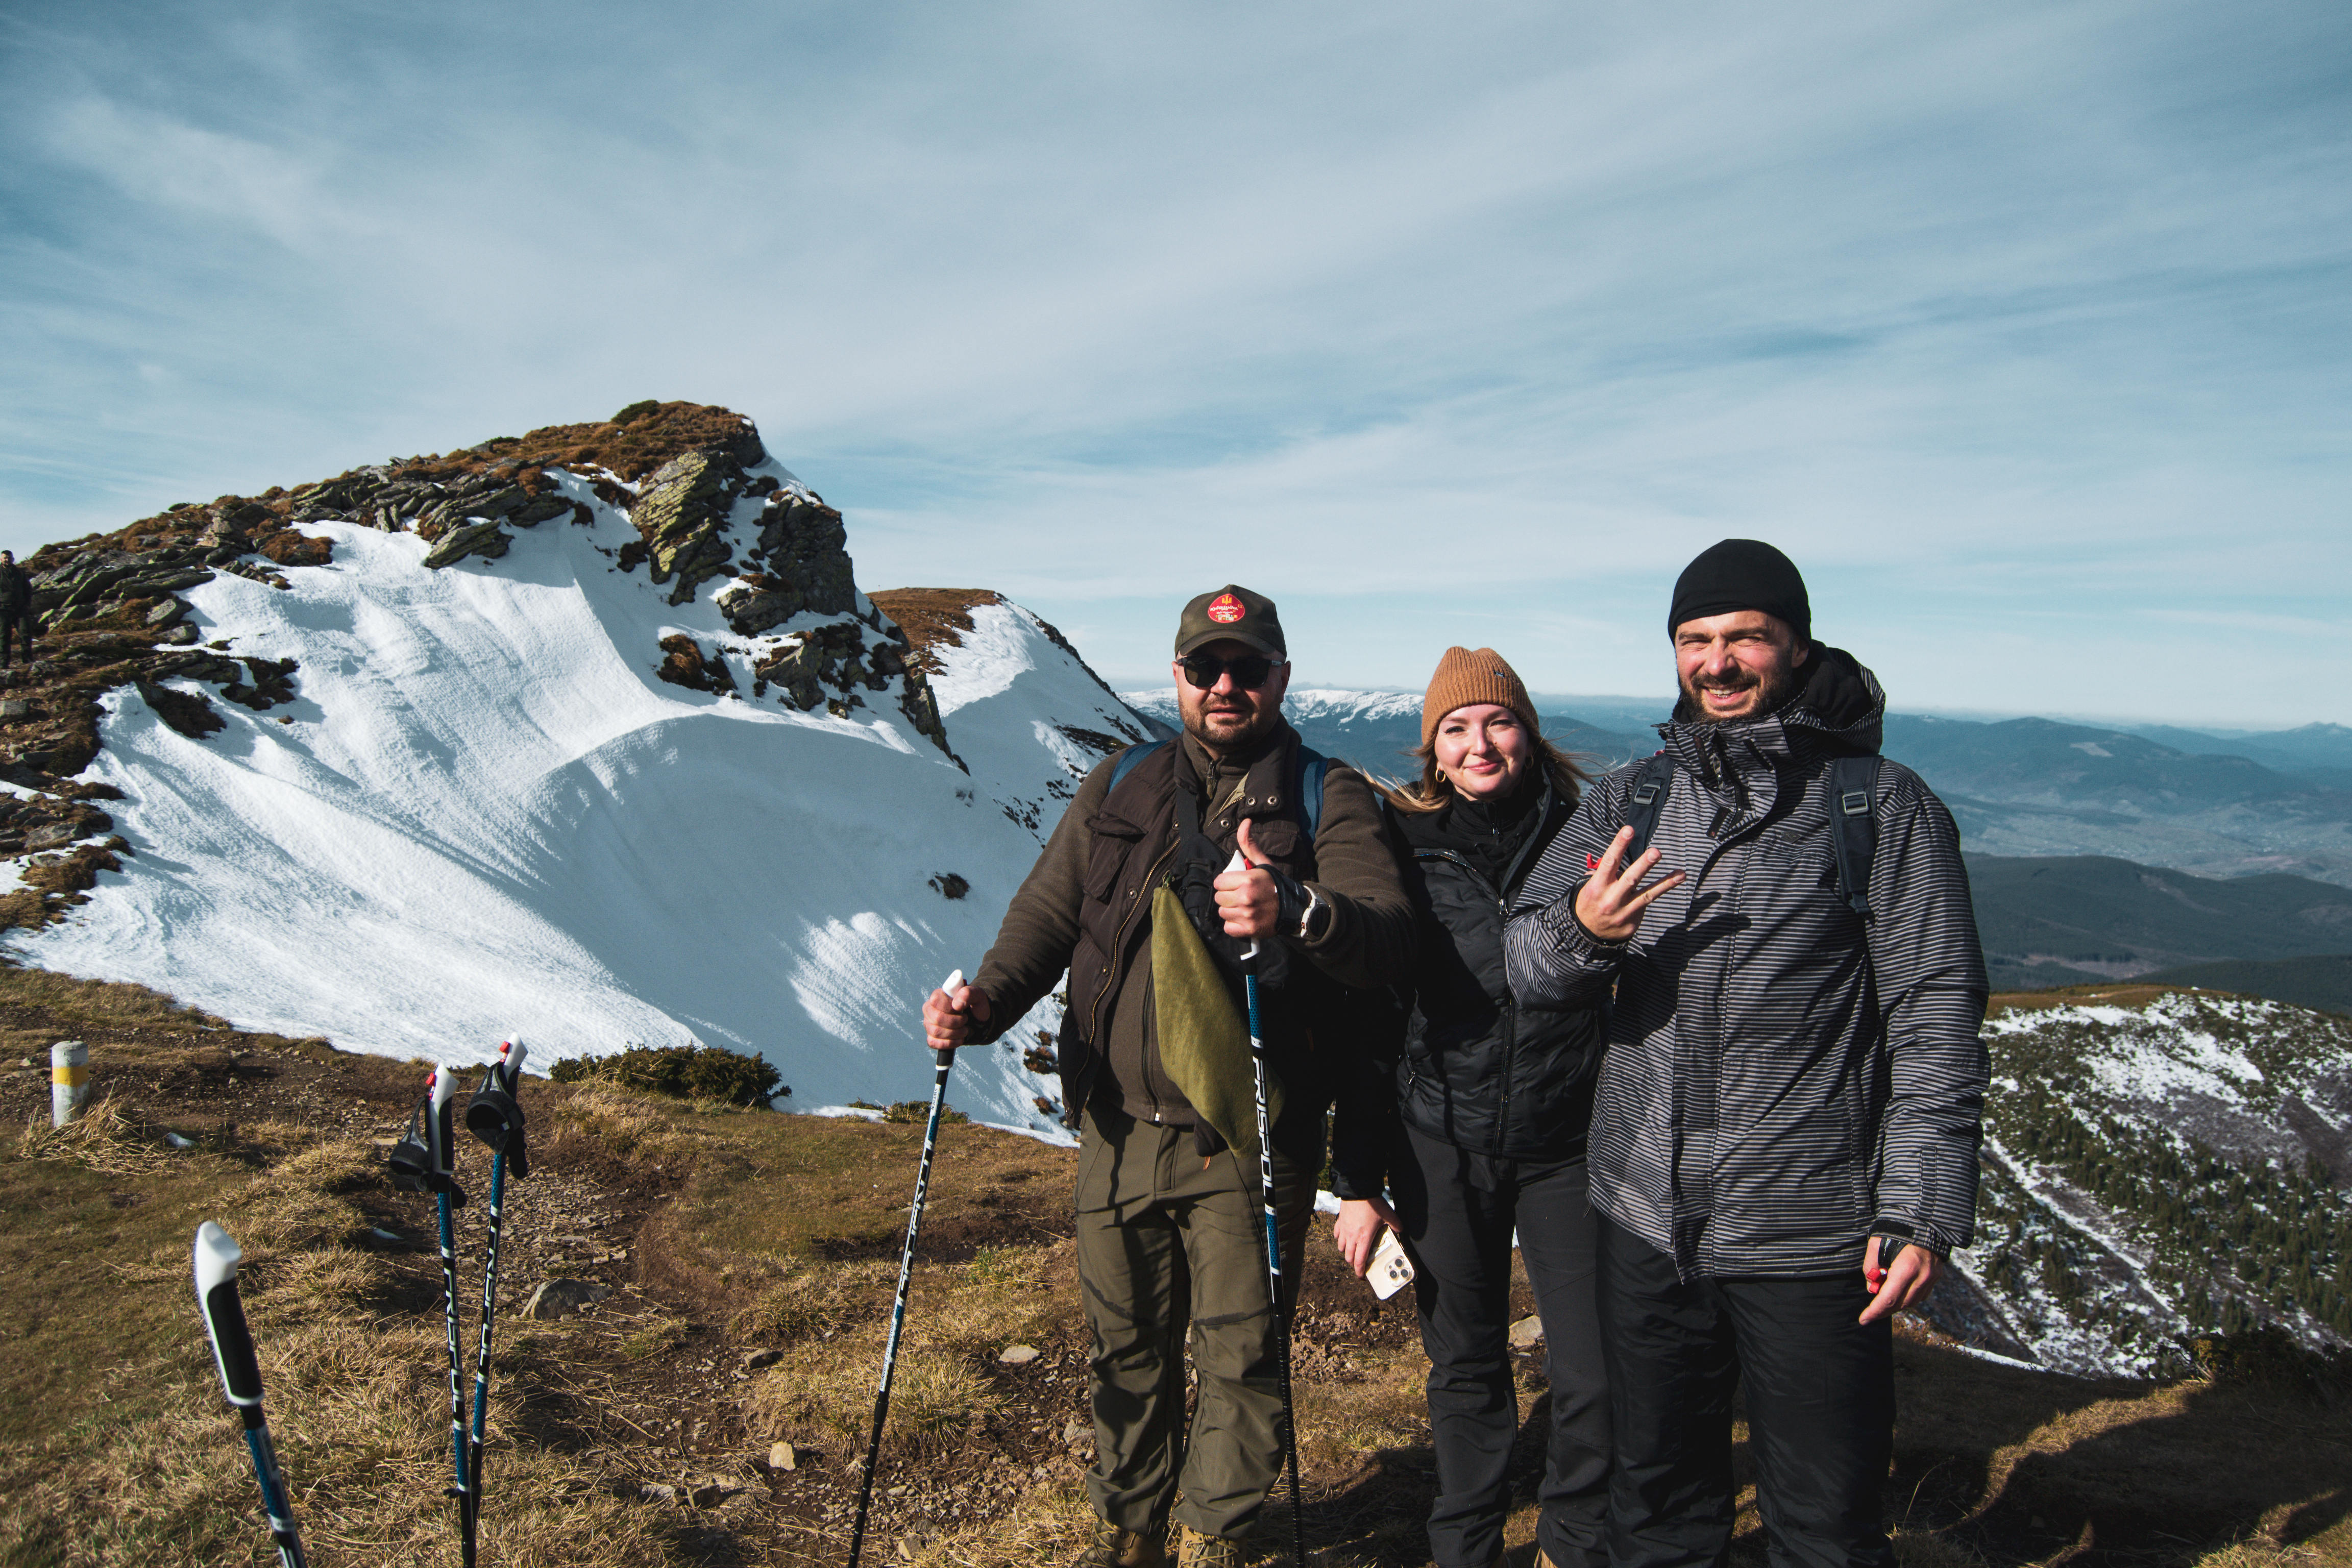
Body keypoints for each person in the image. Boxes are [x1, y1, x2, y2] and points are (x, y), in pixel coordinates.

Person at [1504, 540, 1989, 1568]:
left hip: (1810, 1231)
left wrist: (1919, 1206)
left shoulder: (1879, 806)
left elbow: (1934, 1015)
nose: (1716, 662)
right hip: (1643, 1222)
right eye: (1695, 641)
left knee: (1823, 1522)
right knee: (1657, 1512)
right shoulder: (1631, 798)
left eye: (1744, 639)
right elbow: (1528, 966)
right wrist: (1584, 931)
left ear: (1796, 646)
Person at [922, 584, 1414, 1568]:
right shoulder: (1119, 783)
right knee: (1126, 1344)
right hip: (1112, 1123)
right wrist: (981, 1009)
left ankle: (1215, 1537)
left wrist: (1295, 908)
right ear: (1178, 677)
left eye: (1246, 667)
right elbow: (1047, 918)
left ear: (1279, 677)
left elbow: (1385, 938)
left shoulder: (1331, 795)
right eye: (1204, 667)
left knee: (1240, 1348)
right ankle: (1131, 1529)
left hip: (1245, 1131)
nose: (1224, 684)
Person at [1328, 647, 1611, 1568]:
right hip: (1436, 1138)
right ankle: (1465, 1545)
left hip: (1566, 1139)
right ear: (1431, 751)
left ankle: (1569, 1539)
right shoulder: (1398, 845)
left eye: (1496, 721)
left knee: (1593, 1370)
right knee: (1465, 1362)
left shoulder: (1586, 832)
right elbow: (1370, 1018)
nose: (1478, 742)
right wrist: (1358, 1180)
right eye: (1455, 728)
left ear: (1527, 733)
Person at [0, 551, 33, 668]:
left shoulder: (20, 573)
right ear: (1, 559)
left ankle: (27, 659)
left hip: (20, 609)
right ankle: (4, 662)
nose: (7, 560)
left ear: (13, 559)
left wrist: (27, 604)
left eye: (9, 558)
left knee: (25, 633)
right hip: (3, 610)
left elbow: (28, 589)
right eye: (4, 558)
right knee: (4, 636)